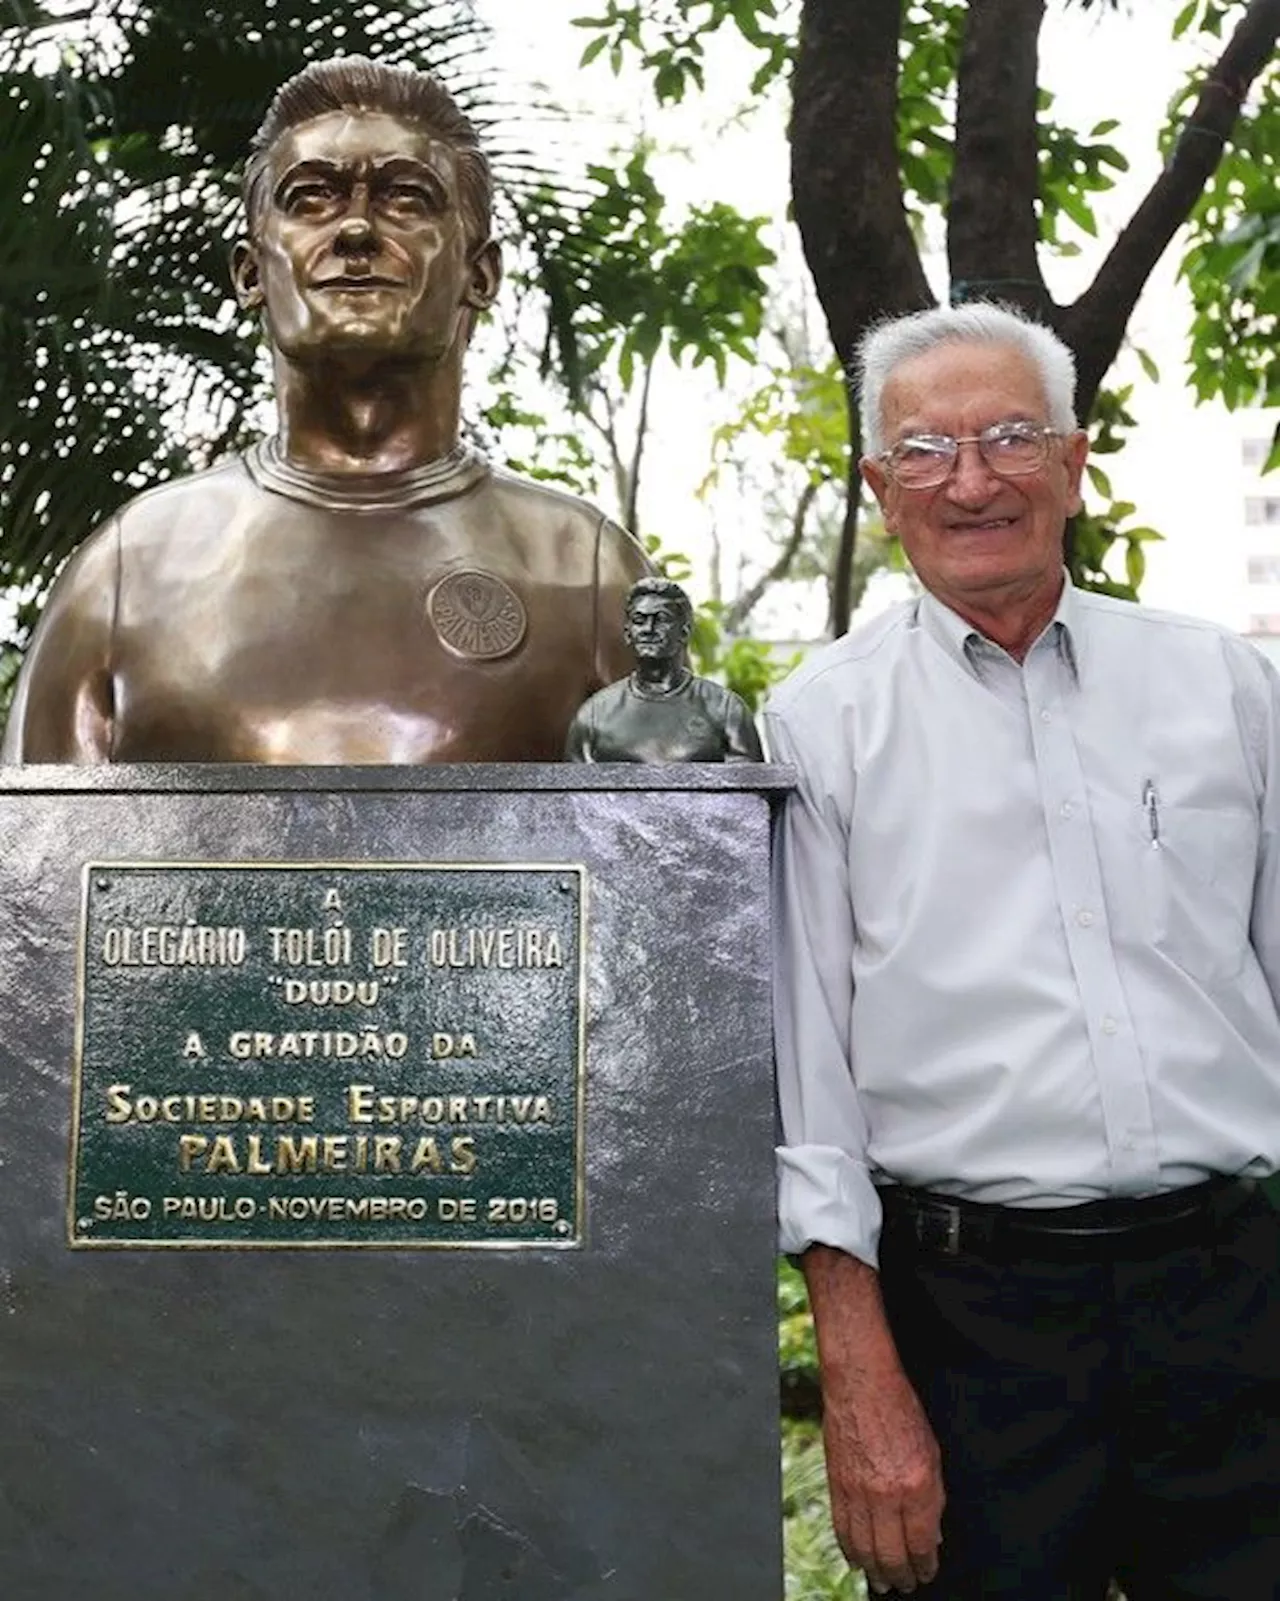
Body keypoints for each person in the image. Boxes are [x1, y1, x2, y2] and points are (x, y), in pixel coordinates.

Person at [764, 301, 1280, 1600]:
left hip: (1236, 1298)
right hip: (974, 1324)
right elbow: (810, 1087)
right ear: (881, 491)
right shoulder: (818, 727)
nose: (973, 479)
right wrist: (859, 1378)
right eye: (927, 452)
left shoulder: (1224, 684)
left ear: (1074, 460)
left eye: (1008, 437)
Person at [3, 56, 648, 764]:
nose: (356, 232)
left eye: (406, 198)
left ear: (480, 272)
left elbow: (681, 854)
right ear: (251, 271)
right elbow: (33, 861)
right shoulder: (127, 572)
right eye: (312, 198)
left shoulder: (587, 574)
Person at [565, 577, 763, 763]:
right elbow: (574, 797)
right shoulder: (593, 716)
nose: (649, 628)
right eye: (639, 620)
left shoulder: (726, 711)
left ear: (684, 632)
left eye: (661, 619)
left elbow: (750, 794)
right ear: (628, 633)